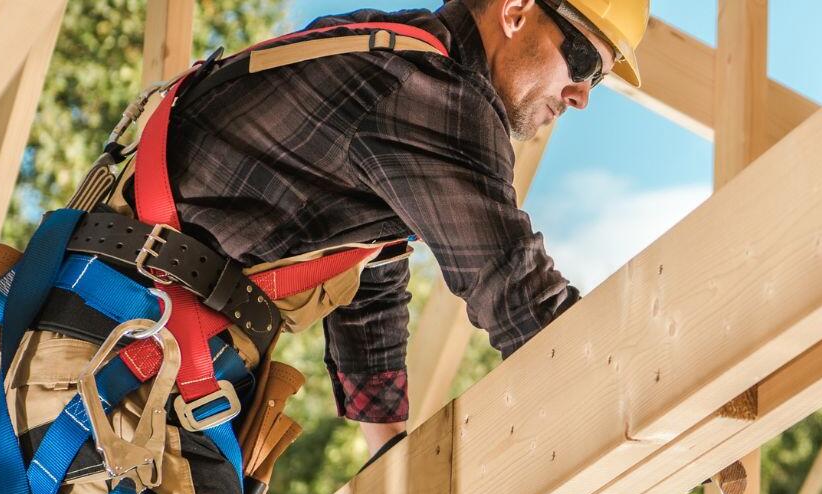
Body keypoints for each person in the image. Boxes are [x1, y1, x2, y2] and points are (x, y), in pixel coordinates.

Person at [165, 0, 650, 458]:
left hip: (126, 349)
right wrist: (654, 385)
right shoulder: (432, 91)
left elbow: (370, 268)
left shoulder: (380, 50)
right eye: (583, 61)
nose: (582, 96)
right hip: (136, 361)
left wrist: (389, 451)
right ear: (516, 11)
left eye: (599, 79)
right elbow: (517, 291)